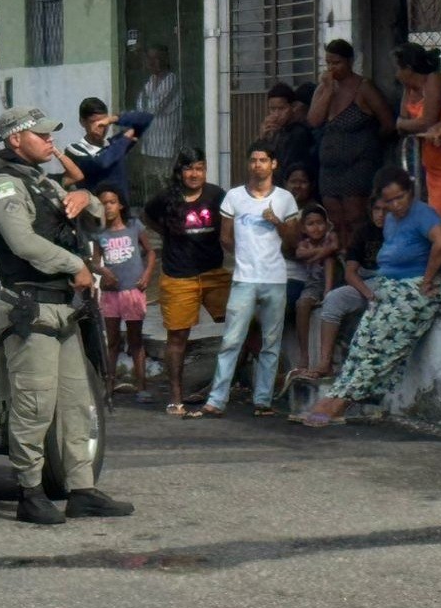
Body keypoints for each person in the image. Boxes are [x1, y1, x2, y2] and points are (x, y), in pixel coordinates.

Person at [0, 106, 133, 524]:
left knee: (76, 404)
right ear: (16, 139)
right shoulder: (4, 185)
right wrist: (75, 265)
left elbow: (96, 217)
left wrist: (85, 198)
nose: (51, 142)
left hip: (63, 308)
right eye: (42, 136)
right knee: (35, 406)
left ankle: (82, 489)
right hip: (31, 308)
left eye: (51, 135)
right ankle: (30, 492)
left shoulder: (40, 180)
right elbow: (23, 243)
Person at [300, 168, 441, 428]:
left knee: (383, 341)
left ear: (410, 192)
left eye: (400, 198)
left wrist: (428, 279)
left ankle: (342, 402)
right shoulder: (391, 220)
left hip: (420, 287)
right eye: (389, 201)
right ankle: (335, 394)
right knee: (363, 340)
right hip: (390, 286)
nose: (396, 205)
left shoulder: (423, 213)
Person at [189, 141, 300, 419]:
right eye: (253, 160)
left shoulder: (285, 199)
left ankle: (263, 400)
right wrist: (245, 257)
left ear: (273, 164)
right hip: (244, 278)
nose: (257, 165)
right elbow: (225, 237)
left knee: (270, 343)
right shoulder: (234, 197)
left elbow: (293, 241)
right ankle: (216, 400)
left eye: (263, 160)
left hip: (275, 278)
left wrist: (276, 222)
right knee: (231, 340)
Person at [143, 147, 229, 417]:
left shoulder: (216, 195)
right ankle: (176, 397)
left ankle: (229, 383)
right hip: (179, 275)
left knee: (243, 324)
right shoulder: (165, 197)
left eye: (199, 168)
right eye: (189, 168)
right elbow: (148, 217)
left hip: (214, 273)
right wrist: (169, 234)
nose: (194, 174)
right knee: (178, 336)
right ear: (180, 171)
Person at [394, 43, 441, 295]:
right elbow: (404, 120)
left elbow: (425, 121)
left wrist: (404, 124)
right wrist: (405, 123)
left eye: (398, 68)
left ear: (408, 67)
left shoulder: (435, 80)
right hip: (430, 165)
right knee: (440, 228)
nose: (395, 74)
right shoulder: (409, 88)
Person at [310, 39, 395, 250]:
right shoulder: (323, 89)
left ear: (350, 61)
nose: (332, 68)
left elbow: (388, 123)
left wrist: (367, 143)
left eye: (337, 63)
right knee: (336, 219)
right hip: (330, 168)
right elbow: (314, 120)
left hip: (358, 165)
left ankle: (358, 257)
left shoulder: (364, 87)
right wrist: (328, 91)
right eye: (328, 63)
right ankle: (342, 258)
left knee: (355, 216)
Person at [310, 195, 387, 378]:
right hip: (366, 283)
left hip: (392, 282)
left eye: (386, 210)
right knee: (334, 299)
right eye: (377, 209)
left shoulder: (401, 232)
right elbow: (350, 273)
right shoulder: (363, 232)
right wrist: (368, 294)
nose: (380, 215)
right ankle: (325, 363)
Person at [92, 184, 154, 403]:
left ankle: (141, 387)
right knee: (113, 342)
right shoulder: (100, 233)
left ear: (120, 205)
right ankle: (109, 386)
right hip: (111, 294)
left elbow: (150, 252)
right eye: (103, 204)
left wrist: (147, 275)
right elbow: (94, 262)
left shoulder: (134, 226)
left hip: (133, 291)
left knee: (135, 340)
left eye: (112, 202)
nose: (108, 207)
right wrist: (102, 271)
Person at [65, 97, 153, 201]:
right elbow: (101, 163)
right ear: (82, 122)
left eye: (103, 123)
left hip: (121, 208)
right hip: (96, 208)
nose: (100, 127)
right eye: (94, 122)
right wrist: (125, 139)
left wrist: (113, 119)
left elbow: (146, 118)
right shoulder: (74, 150)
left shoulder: (114, 144)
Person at [291, 203, 339, 372]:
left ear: (327, 224)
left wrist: (321, 253)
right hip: (313, 284)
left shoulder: (331, 236)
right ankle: (304, 355)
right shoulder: (304, 243)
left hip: (335, 280)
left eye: (319, 223)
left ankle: (328, 293)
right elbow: (299, 253)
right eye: (310, 224)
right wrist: (324, 251)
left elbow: (334, 247)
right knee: (301, 304)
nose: (316, 227)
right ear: (304, 228)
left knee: (329, 259)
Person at [135, 45, 182, 198]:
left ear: (165, 59)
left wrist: (145, 110)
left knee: (167, 184)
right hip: (149, 145)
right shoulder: (149, 82)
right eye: (150, 58)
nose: (152, 62)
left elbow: (156, 107)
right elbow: (140, 108)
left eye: (156, 58)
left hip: (167, 146)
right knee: (152, 185)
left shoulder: (172, 81)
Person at [262, 83, 318, 189]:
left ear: (293, 107)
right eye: (272, 109)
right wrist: (263, 138)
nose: (276, 114)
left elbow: (285, 167)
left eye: (281, 108)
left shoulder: (298, 132)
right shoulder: (276, 131)